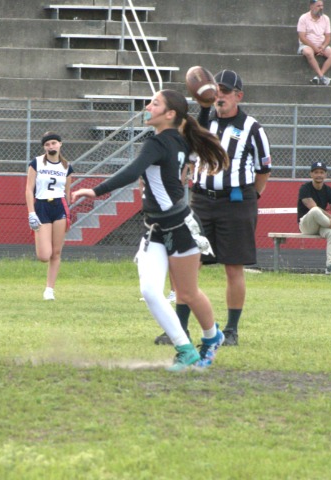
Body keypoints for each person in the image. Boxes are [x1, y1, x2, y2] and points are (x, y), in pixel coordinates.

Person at [72, 89, 229, 372]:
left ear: (170, 114)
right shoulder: (178, 138)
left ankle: (212, 337)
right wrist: (205, 107)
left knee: (187, 293)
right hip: (156, 228)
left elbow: (132, 172)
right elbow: (197, 127)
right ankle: (185, 350)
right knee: (150, 291)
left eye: (155, 103)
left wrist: (95, 190)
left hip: (180, 227)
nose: (147, 106)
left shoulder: (160, 142)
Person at [186, 69, 272, 348]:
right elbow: (188, 152)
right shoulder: (203, 122)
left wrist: (251, 197)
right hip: (201, 200)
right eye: (216, 90)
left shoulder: (252, 128)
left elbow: (263, 168)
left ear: (238, 96)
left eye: (225, 91)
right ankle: (179, 328)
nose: (219, 95)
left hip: (235, 202)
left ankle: (232, 329)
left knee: (233, 267)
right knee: (188, 263)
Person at [25, 132, 73, 301]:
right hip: (42, 206)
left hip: (59, 206)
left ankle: (49, 289)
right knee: (44, 256)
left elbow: (67, 192)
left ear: (60, 144)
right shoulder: (37, 163)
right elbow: (29, 189)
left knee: (56, 252)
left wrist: (68, 211)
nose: (51, 146)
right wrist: (31, 212)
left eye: (53, 143)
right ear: (44, 147)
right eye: (47, 144)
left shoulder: (67, 167)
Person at [297, 0, 331, 86]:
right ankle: (322, 77)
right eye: (318, 6)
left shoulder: (326, 18)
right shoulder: (303, 18)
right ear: (311, 6)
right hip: (307, 45)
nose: (321, 8)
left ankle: (319, 77)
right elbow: (302, 37)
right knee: (308, 52)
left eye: (322, 6)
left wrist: (323, 47)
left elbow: (328, 37)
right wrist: (314, 48)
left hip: (321, 45)